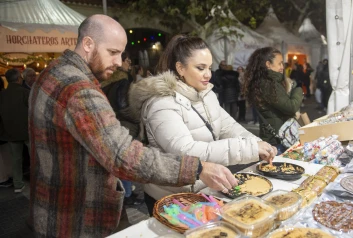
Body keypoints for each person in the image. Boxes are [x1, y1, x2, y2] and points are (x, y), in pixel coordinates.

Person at [28, 15, 238, 237]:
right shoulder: (79, 90)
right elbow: (124, 156)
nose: (119, 62)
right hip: (79, 218)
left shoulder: (53, 71)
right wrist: (197, 169)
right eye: (112, 52)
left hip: (52, 206)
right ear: (88, 44)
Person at [128, 35, 277, 215]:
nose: (208, 74)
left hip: (204, 188)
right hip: (173, 197)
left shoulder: (206, 94)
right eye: (200, 68)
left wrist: (256, 142)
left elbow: (228, 126)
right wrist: (250, 148)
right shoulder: (161, 103)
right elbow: (185, 151)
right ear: (180, 68)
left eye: (209, 68)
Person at [100, 51, 143, 206]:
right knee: (126, 160)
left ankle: (123, 193)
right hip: (124, 125)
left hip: (111, 123)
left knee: (118, 160)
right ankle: (127, 195)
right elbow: (122, 105)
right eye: (128, 62)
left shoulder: (105, 81)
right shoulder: (123, 80)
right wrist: (137, 119)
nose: (129, 65)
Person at [243, 47, 303, 155]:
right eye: (279, 63)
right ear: (268, 64)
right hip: (278, 140)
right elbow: (291, 107)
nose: (282, 67)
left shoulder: (266, 82)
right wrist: (298, 90)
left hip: (274, 136)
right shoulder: (269, 84)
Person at [0, 68, 30, 193]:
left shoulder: (2, 94)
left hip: (10, 132)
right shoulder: (25, 92)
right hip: (27, 131)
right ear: (19, 78)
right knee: (35, 158)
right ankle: (39, 183)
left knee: (16, 160)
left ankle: (18, 184)